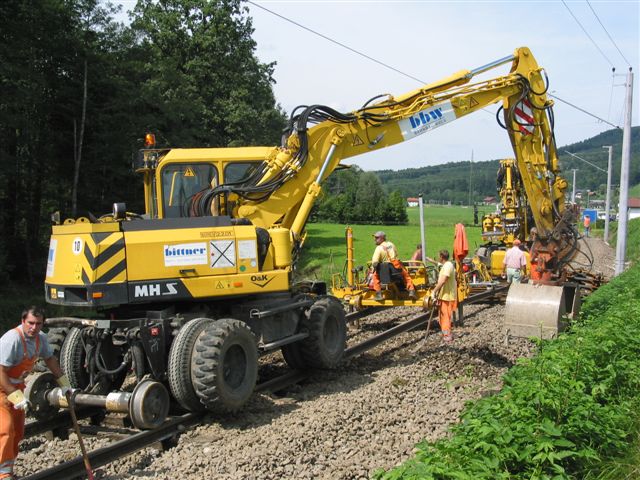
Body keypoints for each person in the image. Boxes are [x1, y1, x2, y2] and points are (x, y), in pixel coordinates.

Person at [0, 307, 71, 480]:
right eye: (30, 323)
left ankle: (7, 468)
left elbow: (50, 360)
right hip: (2, 388)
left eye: (38, 324)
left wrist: (66, 385)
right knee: (5, 429)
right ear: (23, 321)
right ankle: (3, 474)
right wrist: (16, 397)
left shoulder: (41, 339)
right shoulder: (12, 339)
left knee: (17, 432)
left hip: (17, 387)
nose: (34, 327)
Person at [370, 231, 417, 301]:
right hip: (396, 268)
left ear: (382, 238)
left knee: (375, 276)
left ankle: (378, 294)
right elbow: (396, 254)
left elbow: (375, 262)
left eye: (377, 238)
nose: (375, 239)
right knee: (406, 275)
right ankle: (411, 291)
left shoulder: (378, 248)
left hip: (385, 272)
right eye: (375, 237)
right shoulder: (391, 244)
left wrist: (374, 268)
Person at [430, 249, 457, 343]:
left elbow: (443, 280)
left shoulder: (448, 266)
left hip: (447, 296)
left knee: (445, 316)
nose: (438, 257)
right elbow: (439, 265)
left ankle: (447, 335)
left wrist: (434, 291)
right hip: (444, 295)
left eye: (439, 256)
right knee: (442, 316)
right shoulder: (446, 265)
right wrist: (431, 261)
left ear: (441, 257)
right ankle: (446, 333)